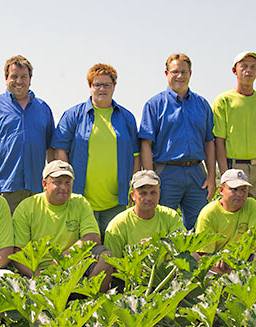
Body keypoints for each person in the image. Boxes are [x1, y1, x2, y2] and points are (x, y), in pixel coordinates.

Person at [52, 63, 140, 238]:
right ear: (90, 87)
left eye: (107, 85)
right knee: (84, 250)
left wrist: (134, 186)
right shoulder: (73, 115)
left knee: (113, 249)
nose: (102, 89)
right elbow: (60, 151)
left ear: (114, 87)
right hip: (81, 200)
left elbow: (135, 155)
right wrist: (65, 183)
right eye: (97, 85)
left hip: (116, 200)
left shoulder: (126, 117)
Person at [139, 53, 216, 230]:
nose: (179, 76)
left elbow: (209, 142)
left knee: (200, 228)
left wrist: (211, 176)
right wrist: (151, 178)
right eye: (175, 72)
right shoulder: (154, 104)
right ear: (166, 73)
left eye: (183, 72)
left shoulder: (202, 104)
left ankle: (198, 259)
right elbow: (145, 143)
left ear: (190, 73)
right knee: (161, 226)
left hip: (196, 173)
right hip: (166, 173)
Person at [0, 55, 55, 213]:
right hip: (4, 188)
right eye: (14, 76)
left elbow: (50, 149)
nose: (19, 81)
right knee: (4, 237)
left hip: (36, 189)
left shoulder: (43, 109)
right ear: (6, 78)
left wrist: (50, 181)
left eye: (24, 77)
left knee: (35, 236)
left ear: (30, 79)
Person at [12, 160, 112, 291]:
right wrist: (40, 277)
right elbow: (18, 253)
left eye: (68, 182)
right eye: (57, 182)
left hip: (73, 266)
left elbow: (93, 238)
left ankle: (88, 300)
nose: (64, 187)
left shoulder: (80, 202)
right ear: (44, 184)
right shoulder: (27, 207)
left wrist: (62, 259)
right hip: (38, 271)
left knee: (105, 256)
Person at [212, 51, 256, 215]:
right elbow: (219, 141)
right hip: (234, 167)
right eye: (243, 66)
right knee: (233, 214)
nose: (248, 71)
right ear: (234, 70)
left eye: (253, 67)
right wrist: (224, 175)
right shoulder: (224, 100)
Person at [194, 169, 256, 273]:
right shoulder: (209, 213)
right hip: (218, 267)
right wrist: (218, 264)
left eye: (243, 190)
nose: (240, 194)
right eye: (234, 189)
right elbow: (203, 255)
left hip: (245, 264)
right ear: (221, 190)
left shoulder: (251, 204)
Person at [104, 170, 184, 259]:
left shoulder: (171, 216)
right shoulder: (118, 225)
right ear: (132, 195)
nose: (149, 198)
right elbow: (112, 264)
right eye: (143, 193)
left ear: (159, 193)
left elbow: (183, 249)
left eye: (153, 193)